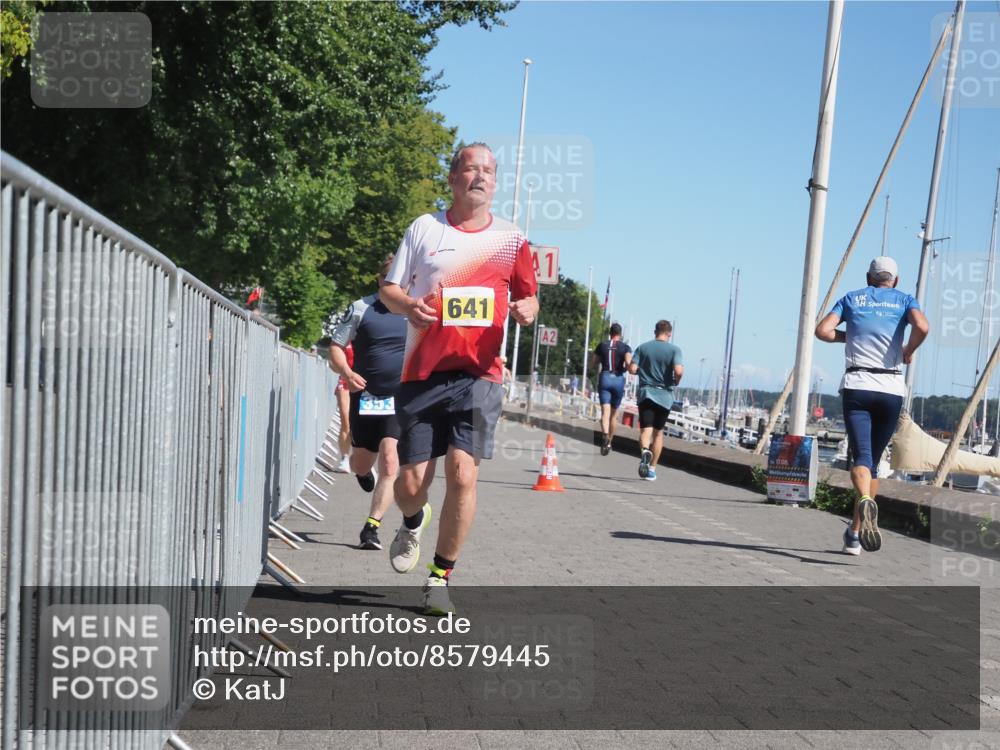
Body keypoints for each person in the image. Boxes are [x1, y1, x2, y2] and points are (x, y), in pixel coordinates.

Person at [380, 142, 538, 615]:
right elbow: (388, 290)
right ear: (452, 179)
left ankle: (440, 577)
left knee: (464, 474)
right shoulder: (425, 229)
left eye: (488, 171)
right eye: (471, 169)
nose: (481, 177)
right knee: (410, 485)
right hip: (423, 373)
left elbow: (530, 298)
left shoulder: (512, 239)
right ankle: (413, 520)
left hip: (480, 374)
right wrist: (410, 306)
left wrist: (529, 309)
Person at [815, 256, 928, 556]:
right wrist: (908, 349)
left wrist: (845, 336)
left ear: (868, 277)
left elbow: (822, 330)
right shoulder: (905, 299)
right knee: (873, 464)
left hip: (858, 385)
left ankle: (864, 507)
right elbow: (923, 327)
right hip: (891, 388)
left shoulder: (852, 298)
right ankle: (854, 535)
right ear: (896, 280)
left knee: (861, 459)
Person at [328, 256, 408, 551]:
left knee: (390, 461)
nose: (397, 285)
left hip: (399, 398)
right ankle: (362, 473)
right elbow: (335, 348)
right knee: (361, 461)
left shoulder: (415, 309)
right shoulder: (361, 307)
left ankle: (371, 528)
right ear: (380, 281)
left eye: (402, 279)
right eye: (390, 279)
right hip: (366, 397)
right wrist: (347, 373)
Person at [629, 320, 683, 481]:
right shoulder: (675, 350)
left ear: (655, 331)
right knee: (658, 434)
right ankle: (652, 469)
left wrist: (642, 371)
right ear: (669, 333)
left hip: (646, 393)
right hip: (665, 396)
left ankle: (645, 450)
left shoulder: (643, 348)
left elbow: (632, 369)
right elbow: (679, 371)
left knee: (645, 430)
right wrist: (676, 381)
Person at [591, 323, 633, 455]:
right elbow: (628, 365)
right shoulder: (625, 347)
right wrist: (626, 368)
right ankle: (609, 441)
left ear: (610, 333)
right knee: (613, 417)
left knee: (605, 413)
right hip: (618, 380)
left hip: (605, 378)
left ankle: (604, 435)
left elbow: (593, 363)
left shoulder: (602, 345)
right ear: (620, 335)